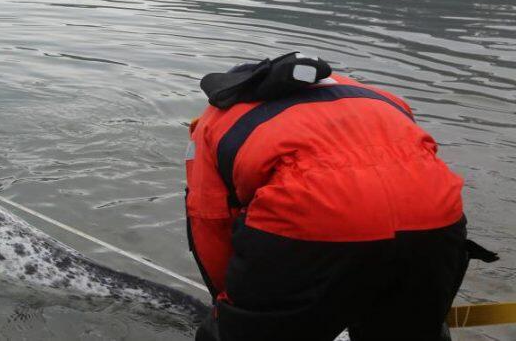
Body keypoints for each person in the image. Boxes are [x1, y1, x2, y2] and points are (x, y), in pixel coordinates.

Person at [185, 52, 493, 341]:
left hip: (312, 220)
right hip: (436, 218)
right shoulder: (376, 96)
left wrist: (229, 306)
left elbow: (209, 223)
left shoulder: (214, 119)